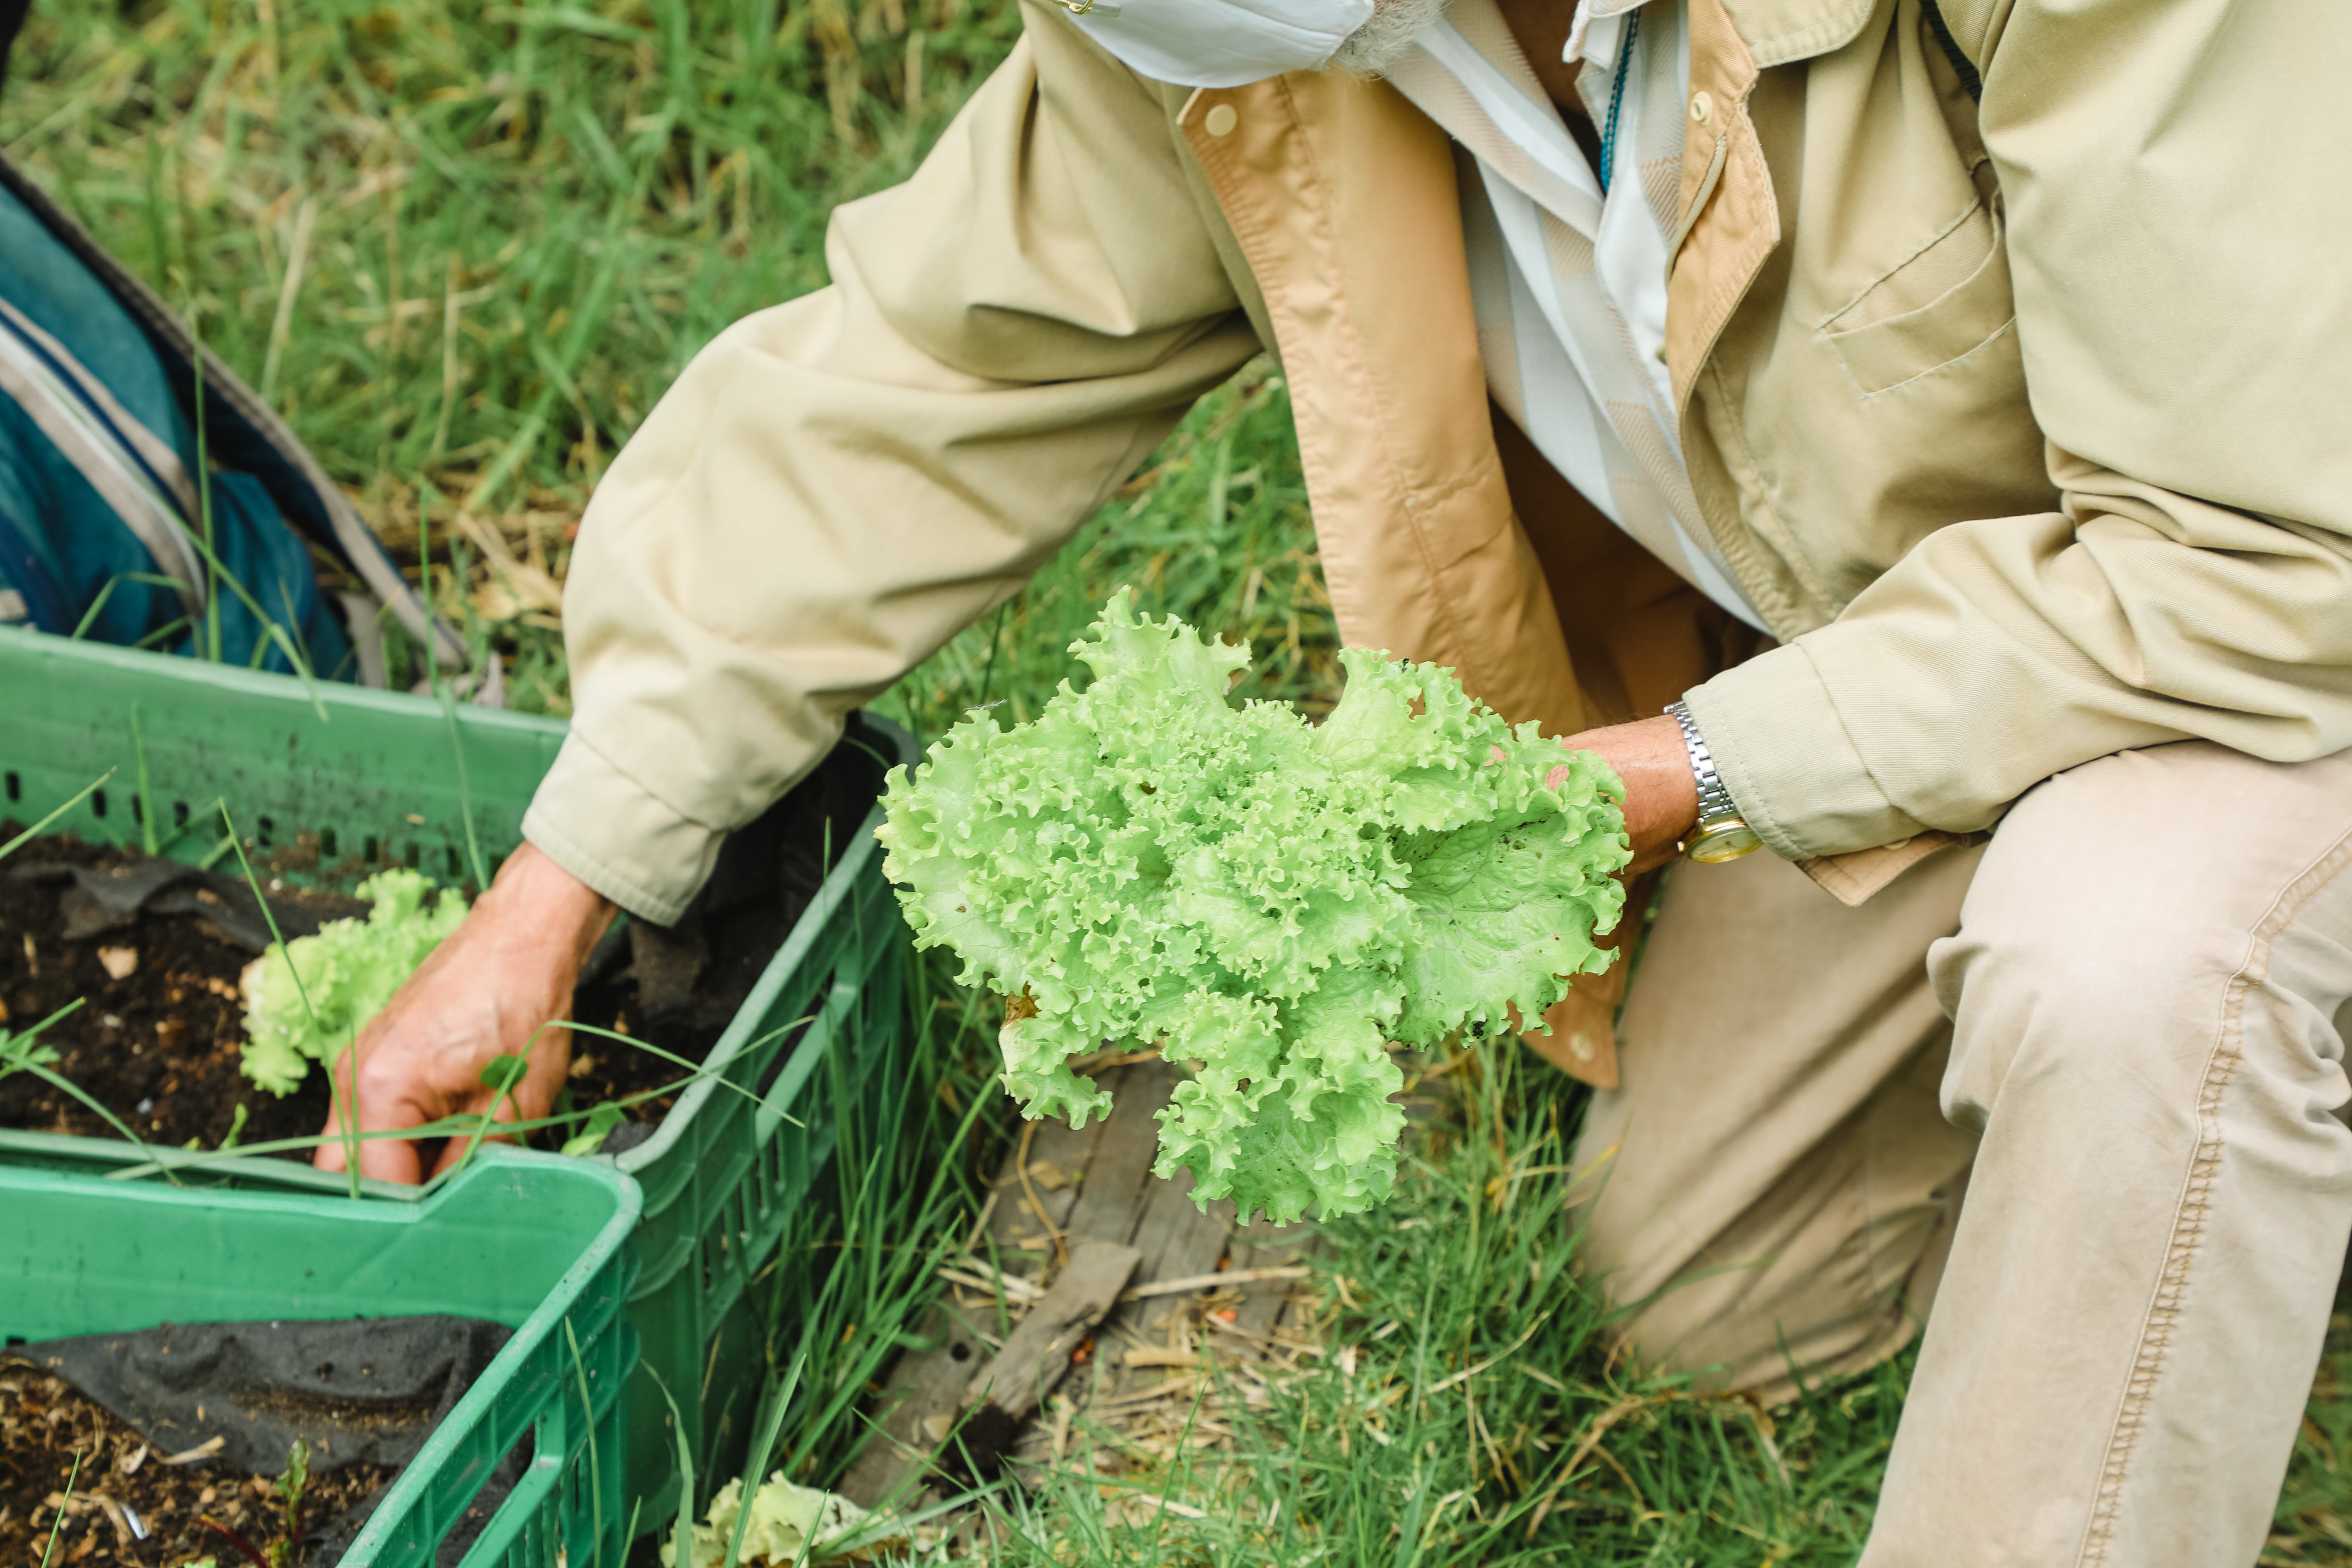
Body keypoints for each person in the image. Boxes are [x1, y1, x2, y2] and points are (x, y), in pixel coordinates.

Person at [316, 0, 2352, 1558]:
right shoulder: (1283, 39)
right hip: (1967, 631)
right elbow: (931, 371)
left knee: (2135, 966)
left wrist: (1670, 773)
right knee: (1708, 1285)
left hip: (2278, 592)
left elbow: (2272, 561)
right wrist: (561, 881)